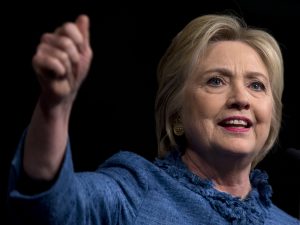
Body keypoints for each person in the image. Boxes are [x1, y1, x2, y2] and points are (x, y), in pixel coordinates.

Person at [7, 13, 300, 225]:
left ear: (272, 117)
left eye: (257, 85)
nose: (241, 98)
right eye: (216, 81)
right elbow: (52, 206)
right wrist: (54, 107)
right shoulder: (135, 190)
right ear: (177, 114)